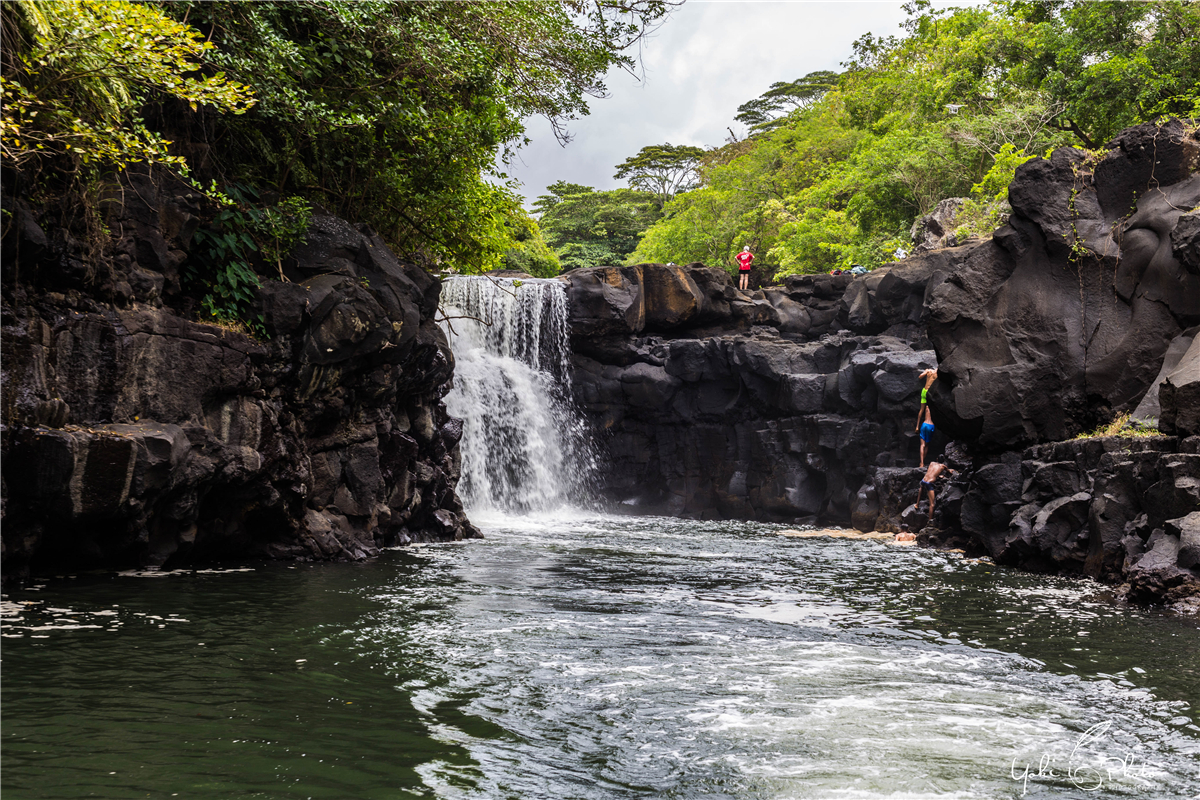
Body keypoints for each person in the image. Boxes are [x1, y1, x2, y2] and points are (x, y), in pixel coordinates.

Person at [915, 367, 938, 467]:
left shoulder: (929, 371)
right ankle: (922, 462)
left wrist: (926, 372)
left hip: (924, 390)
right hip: (930, 393)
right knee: (926, 444)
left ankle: (921, 463)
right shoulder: (938, 374)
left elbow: (920, 376)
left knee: (922, 410)